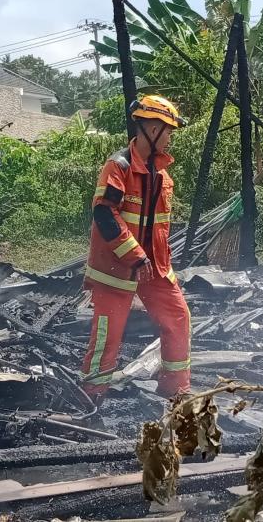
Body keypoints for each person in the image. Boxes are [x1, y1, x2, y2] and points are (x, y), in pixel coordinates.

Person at [80, 95, 191, 401]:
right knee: (108, 337)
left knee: (178, 318)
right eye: (167, 130)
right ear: (152, 128)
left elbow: (159, 228)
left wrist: (156, 262)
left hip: (154, 268)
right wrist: (135, 255)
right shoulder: (118, 167)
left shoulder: (163, 175)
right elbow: (105, 213)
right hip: (116, 269)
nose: (170, 137)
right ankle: (93, 394)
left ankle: (176, 390)